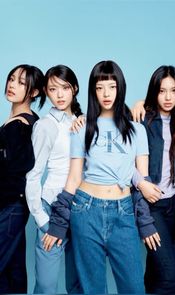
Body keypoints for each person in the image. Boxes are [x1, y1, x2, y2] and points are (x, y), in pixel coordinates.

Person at [42, 60, 162, 293]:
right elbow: (74, 177)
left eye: (111, 86)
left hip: (124, 212)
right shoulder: (82, 127)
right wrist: (58, 223)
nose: (106, 93)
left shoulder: (137, 130)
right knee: (93, 288)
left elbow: (142, 182)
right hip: (86, 211)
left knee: (134, 288)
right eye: (99, 87)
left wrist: (145, 223)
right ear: (92, 91)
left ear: (120, 88)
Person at [25, 65, 82, 294]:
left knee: (79, 283)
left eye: (65, 88)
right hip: (52, 207)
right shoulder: (45, 126)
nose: (59, 95)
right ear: (46, 93)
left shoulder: (84, 122)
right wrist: (41, 218)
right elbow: (33, 175)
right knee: (47, 286)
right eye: (52, 89)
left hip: (82, 208)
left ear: (74, 89)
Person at [131, 65, 175, 294]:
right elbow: (125, 162)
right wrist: (140, 183)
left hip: (174, 205)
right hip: (151, 205)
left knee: (155, 272)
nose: (168, 97)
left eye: (173, 90)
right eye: (162, 91)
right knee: (171, 278)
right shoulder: (142, 119)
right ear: (154, 91)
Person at [0, 64, 45, 294]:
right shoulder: (19, 121)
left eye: (20, 82)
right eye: (11, 79)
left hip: (10, 206)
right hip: (14, 206)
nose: (11, 85)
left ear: (34, 91)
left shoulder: (21, 125)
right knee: (12, 271)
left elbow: (19, 167)